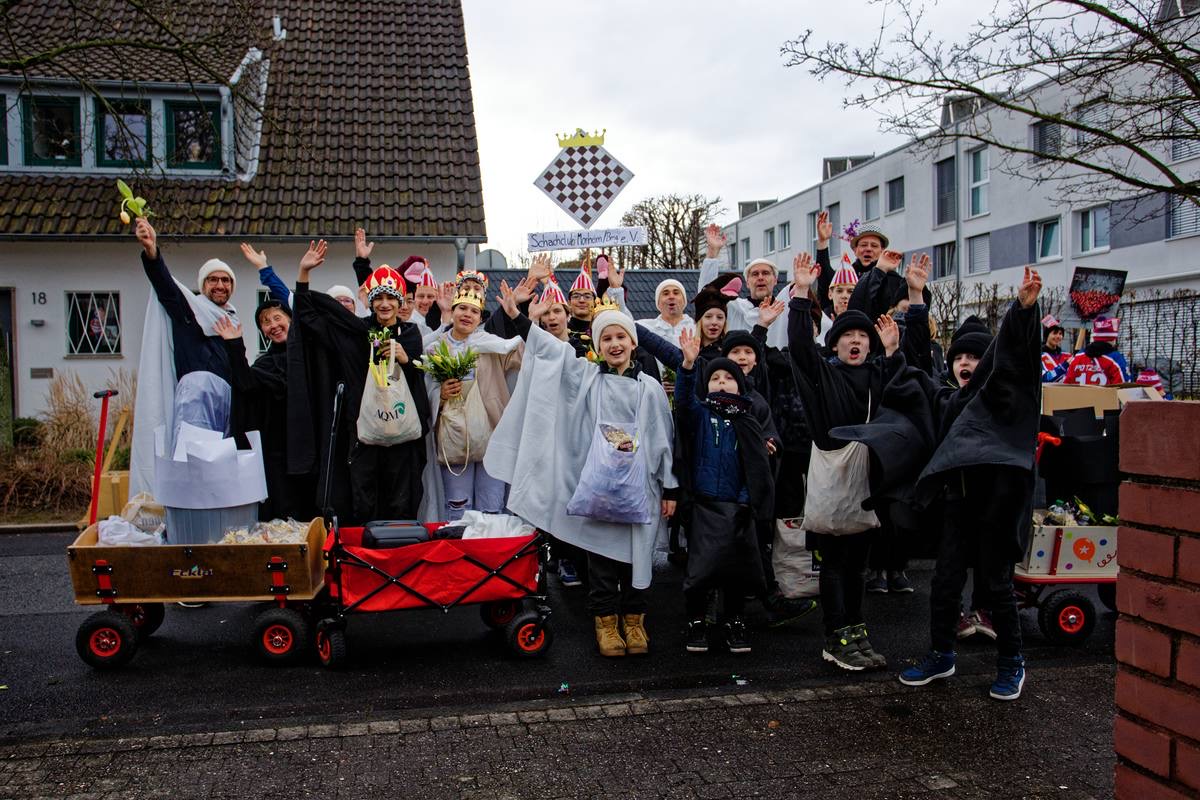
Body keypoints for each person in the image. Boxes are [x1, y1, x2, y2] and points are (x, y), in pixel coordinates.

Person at [485, 292, 676, 658]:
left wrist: (670, 488)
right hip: (600, 490)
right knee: (602, 561)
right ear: (598, 344)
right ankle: (605, 621)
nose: (615, 344)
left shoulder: (650, 388)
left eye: (621, 337)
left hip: (641, 490)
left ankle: (634, 620)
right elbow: (554, 355)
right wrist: (521, 320)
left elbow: (663, 439)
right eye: (607, 338)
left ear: (633, 342)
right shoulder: (589, 379)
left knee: (638, 554)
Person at [899, 267, 1045, 702]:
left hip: (999, 507)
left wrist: (1023, 311)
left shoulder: (1005, 401)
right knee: (944, 584)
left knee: (997, 587)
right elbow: (916, 364)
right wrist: (915, 297)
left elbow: (1018, 359)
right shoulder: (948, 400)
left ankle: (1011, 663)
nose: (966, 363)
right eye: (959, 357)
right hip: (958, 506)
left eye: (975, 358)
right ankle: (941, 654)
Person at [788, 251, 902, 672]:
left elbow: (902, 393)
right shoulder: (824, 375)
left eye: (863, 337)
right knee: (835, 563)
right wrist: (802, 293)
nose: (856, 341)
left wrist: (891, 353)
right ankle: (835, 636)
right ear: (834, 343)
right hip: (834, 476)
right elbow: (800, 348)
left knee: (859, 565)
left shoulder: (877, 374)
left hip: (869, 481)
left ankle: (856, 628)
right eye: (847, 336)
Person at [290, 243, 431, 524]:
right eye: (379, 298)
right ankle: (366, 559)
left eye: (391, 298)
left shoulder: (411, 333)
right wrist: (303, 273)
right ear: (370, 301)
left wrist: (406, 358)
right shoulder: (357, 332)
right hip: (362, 430)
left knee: (401, 497)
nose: (385, 304)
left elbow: (421, 373)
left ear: (401, 301)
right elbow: (308, 316)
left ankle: (396, 556)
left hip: (402, 432)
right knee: (363, 496)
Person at [675, 330, 774, 655]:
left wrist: (746, 501)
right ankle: (695, 620)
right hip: (703, 505)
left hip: (738, 506)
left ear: (740, 385)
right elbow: (684, 404)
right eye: (714, 377)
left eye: (727, 378)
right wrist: (689, 367)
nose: (721, 382)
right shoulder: (701, 413)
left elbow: (755, 466)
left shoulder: (747, 420)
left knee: (736, 570)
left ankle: (734, 620)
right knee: (700, 569)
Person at [129, 217, 241, 497]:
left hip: (226, 402)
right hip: (196, 400)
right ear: (203, 285)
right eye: (213, 279)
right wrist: (152, 253)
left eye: (225, 280)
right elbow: (167, 289)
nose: (220, 285)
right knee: (193, 465)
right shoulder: (190, 314)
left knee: (220, 471)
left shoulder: (232, 320)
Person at [421, 283, 522, 522]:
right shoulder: (435, 348)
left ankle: (490, 555)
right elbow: (423, 390)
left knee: (492, 505)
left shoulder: (493, 344)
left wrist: (517, 315)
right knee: (458, 506)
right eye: (462, 308)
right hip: (453, 438)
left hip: (492, 436)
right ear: (452, 312)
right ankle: (460, 555)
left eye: (474, 311)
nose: (467, 314)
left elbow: (523, 357)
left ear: (480, 318)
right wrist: (441, 394)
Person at [213, 299, 314, 520]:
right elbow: (246, 385)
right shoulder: (265, 364)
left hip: (312, 449)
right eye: (265, 322)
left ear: (291, 320)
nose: (273, 325)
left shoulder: (312, 356)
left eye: (278, 318)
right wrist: (234, 345)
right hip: (278, 450)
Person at [697, 224, 793, 348]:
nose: (760, 277)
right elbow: (706, 297)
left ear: (775, 280)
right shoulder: (734, 307)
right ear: (747, 282)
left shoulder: (786, 310)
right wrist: (712, 253)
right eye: (754, 274)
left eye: (765, 273)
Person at [1063, 316, 1129, 385]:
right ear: (1113, 338)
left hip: (1079, 395)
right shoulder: (1116, 359)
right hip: (1104, 396)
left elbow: (1067, 384)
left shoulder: (1078, 357)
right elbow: (1123, 388)